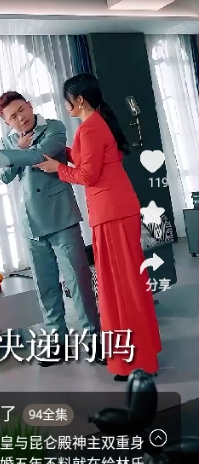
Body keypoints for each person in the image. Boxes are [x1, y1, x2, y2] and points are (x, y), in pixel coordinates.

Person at [34, 73, 162, 381]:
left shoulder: (90, 128)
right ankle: (140, 352)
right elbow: (90, 161)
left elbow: (87, 175)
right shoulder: (96, 125)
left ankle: (136, 360)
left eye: (67, 102)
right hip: (115, 209)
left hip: (111, 212)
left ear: (79, 100)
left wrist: (57, 168)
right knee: (127, 283)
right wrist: (63, 155)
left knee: (121, 287)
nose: (66, 107)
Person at [0, 91, 105, 367]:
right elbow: (6, 176)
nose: (20, 118)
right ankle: (58, 343)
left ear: (30, 105)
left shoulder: (54, 127)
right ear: (6, 122)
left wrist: (1, 154)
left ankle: (94, 341)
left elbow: (38, 156)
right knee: (46, 286)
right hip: (30, 223)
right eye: (13, 117)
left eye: (22, 110)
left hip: (61, 216)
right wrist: (12, 152)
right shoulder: (9, 141)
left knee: (78, 282)